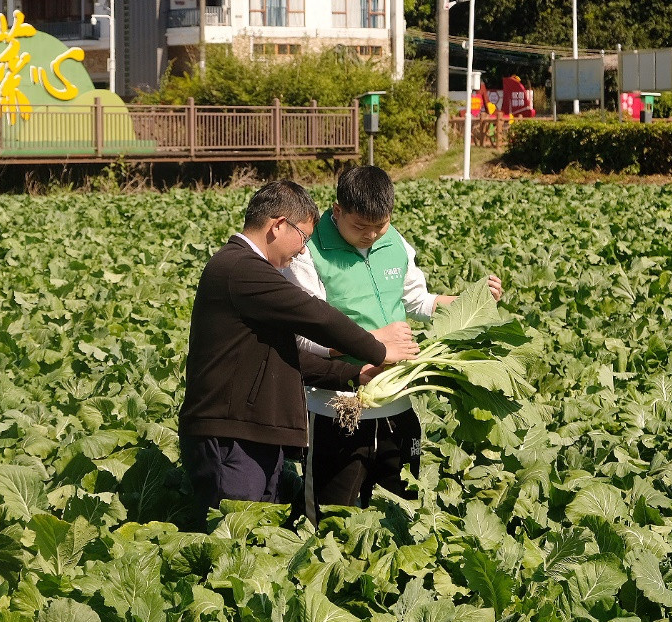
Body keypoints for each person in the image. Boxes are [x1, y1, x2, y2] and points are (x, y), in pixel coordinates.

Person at [178, 179, 418, 527]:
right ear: (278, 225)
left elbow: (287, 356)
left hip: (253, 435)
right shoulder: (241, 268)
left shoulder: (249, 272)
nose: (304, 251)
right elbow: (317, 316)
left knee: (257, 542)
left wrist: (354, 374)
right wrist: (380, 349)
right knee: (231, 543)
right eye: (303, 237)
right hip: (230, 438)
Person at [285, 166, 503, 516]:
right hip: (335, 409)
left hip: (397, 406)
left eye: (380, 225)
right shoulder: (308, 253)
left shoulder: (395, 242)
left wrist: (472, 300)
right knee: (328, 520)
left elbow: (418, 301)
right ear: (337, 211)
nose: (371, 235)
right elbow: (303, 337)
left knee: (401, 515)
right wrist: (372, 342)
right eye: (360, 226)